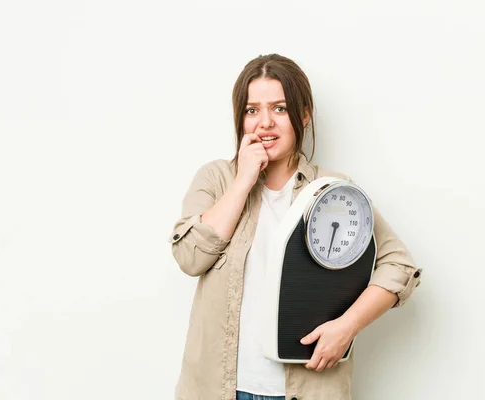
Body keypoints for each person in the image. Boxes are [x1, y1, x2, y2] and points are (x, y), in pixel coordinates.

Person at [169, 54, 422, 400]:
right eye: (252, 110)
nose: (264, 123)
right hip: (220, 389)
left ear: (303, 114)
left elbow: (399, 266)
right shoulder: (216, 179)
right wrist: (243, 181)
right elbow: (189, 257)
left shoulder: (333, 191)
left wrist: (346, 328)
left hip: (309, 389)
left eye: (280, 109)